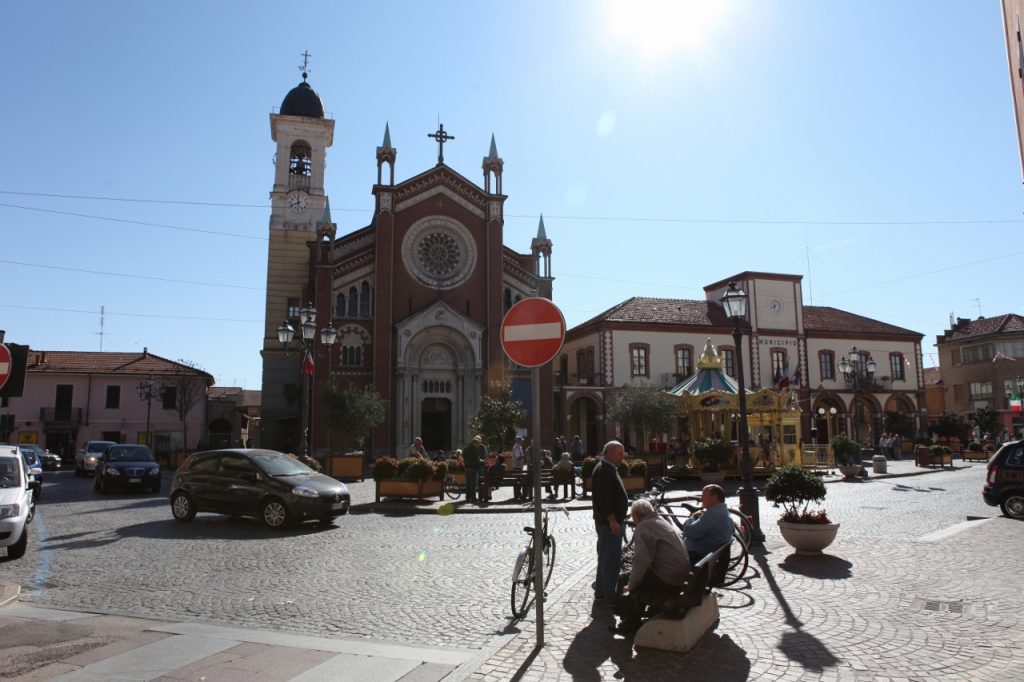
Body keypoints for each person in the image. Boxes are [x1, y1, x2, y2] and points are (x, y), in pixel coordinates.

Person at [612, 499, 690, 634]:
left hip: (668, 579)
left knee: (624, 579)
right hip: (680, 574)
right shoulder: (661, 520)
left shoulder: (643, 527)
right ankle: (634, 616)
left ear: (636, 515)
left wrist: (631, 585)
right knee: (639, 577)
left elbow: (641, 560)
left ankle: (630, 622)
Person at [592, 440, 629, 605]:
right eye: (620, 453)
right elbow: (604, 499)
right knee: (611, 560)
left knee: (605, 559)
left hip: (608, 522)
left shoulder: (608, 468)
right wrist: (613, 521)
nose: (623, 457)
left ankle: (601, 592)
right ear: (610, 453)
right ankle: (610, 596)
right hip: (609, 524)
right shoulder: (604, 470)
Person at [681, 484, 734, 564]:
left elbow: (689, 531)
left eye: (703, 496)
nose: (701, 499)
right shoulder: (723, 511)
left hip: (697, 557)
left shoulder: (713, 514)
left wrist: (692, 517)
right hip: (710, 554)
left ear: (713, 498)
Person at [463, 435, 486, 504]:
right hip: (473, 468)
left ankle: (467, 497)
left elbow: (463, 456)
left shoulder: (466, 448)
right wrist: (482, 460)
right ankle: (473, 497)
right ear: (475, 443)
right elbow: (477, 460)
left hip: (466, 468)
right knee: (473, 484)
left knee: (468, 483)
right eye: (478, 444)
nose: (478, 445)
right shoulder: (474, 449)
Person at [511, 436, 526, 500]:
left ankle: (518, 494)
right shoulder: (516, 447)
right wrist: (525, 455)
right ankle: (517, 494)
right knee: (518, 481)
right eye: (521, 440)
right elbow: (518, 457)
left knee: (518, 480)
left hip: (518, 466)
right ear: (518, 441)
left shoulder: (518, 447)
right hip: (517, 466)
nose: (522, 442)